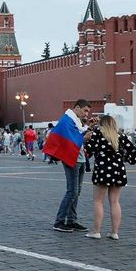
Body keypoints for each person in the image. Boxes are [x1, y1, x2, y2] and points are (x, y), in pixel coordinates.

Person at [85, 115, 136, 239]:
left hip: (103, 169)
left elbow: (88, 151)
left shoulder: (98, 133)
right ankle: (114, 232)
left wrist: (87, 137)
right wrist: (124, 159)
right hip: (118, 170)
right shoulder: (121, 136)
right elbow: (133, 154)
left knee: (98, 201)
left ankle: (96, 231)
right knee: (115, 201)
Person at [50, 99, 93, 233]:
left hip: (79, 159)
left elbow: (78, 134)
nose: (86, 114)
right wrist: (84, 137)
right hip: (72, 159)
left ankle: (71, 221)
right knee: (72, 192)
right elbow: (72, 139)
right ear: (77, 108)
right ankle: (59, 221)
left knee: (76, 192)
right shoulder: (67, 120)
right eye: (85, 110)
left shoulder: (75, 121)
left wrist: (89, 128)